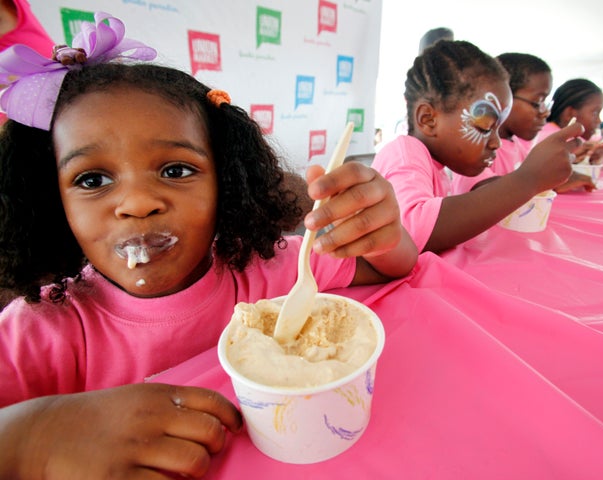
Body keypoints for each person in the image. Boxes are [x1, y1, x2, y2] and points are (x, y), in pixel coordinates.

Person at [0, 13, 417, 478]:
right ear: (50, 199)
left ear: (226, 181)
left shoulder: (267, 272)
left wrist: (382, 234)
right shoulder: (39, 333)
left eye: (176, 170)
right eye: (92, 179)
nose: (138, 203)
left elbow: (391, 269)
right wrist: (31, 437)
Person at [372, 40, 583, 254]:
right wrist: (529, 179)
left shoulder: (440, 163)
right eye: (484, 127)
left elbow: (483, 192)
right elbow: (412, 234)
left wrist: (538, 176)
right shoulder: (404, 155)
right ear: (428, 119)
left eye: (498, 128)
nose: (496, 142)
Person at [451, 52, 594, 194]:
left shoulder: (516, 144)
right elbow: (482, 192)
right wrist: (539, 176)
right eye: (538, 102)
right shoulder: (474, 147)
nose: (545, 112)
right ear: (503, 96)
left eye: (545, 102)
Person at [538, 78, 603, 166]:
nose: (599, 120)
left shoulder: (574, 137)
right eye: (595, 113)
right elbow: (562, 163)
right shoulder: (548, 136)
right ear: (570, 113)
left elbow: (590, 156)